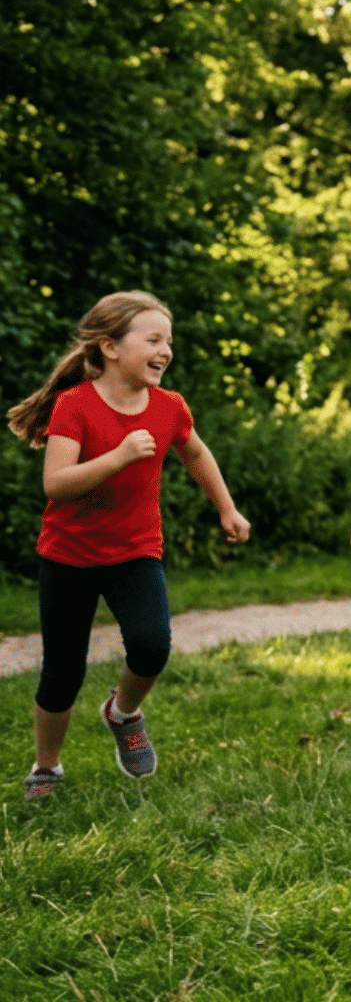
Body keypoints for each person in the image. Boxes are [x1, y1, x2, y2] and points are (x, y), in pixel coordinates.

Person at [8, 291, 251, 801]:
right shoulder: (75, 406)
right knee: (62, 672)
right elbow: (56, 483)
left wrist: (227, 508)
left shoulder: (168, 407)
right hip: (68, 555)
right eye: (154, 339)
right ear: (110, 346)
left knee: (151, 644)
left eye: (169, 341)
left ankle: (123, 713)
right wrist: (118, 456)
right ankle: (46, 767)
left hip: (135, 551)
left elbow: (197, 454)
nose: (166, 350)